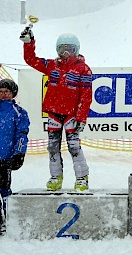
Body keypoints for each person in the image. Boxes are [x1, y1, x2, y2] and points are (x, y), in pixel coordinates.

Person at [20, 28, 92, 191]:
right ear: (57, 50)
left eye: (70, 49)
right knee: (53, 146)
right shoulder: (51, 65)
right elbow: (30, 59)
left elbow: (86, 96)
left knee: (74, 146)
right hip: (53, 112)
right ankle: (55, 176)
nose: (65, 53)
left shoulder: (83, 69)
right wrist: (28, 43)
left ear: (77, 50)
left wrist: (81, 118)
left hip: (71, 115)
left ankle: (82, 178)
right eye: (62, 49)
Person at [0, 79, 30, 234]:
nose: (3, 94)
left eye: (6, 92)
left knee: (5, 190)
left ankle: (11, 221)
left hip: (4, 159)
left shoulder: (19, 112)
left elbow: (21, 135)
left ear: (12, 94)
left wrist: (19, 153)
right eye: (0, 91)